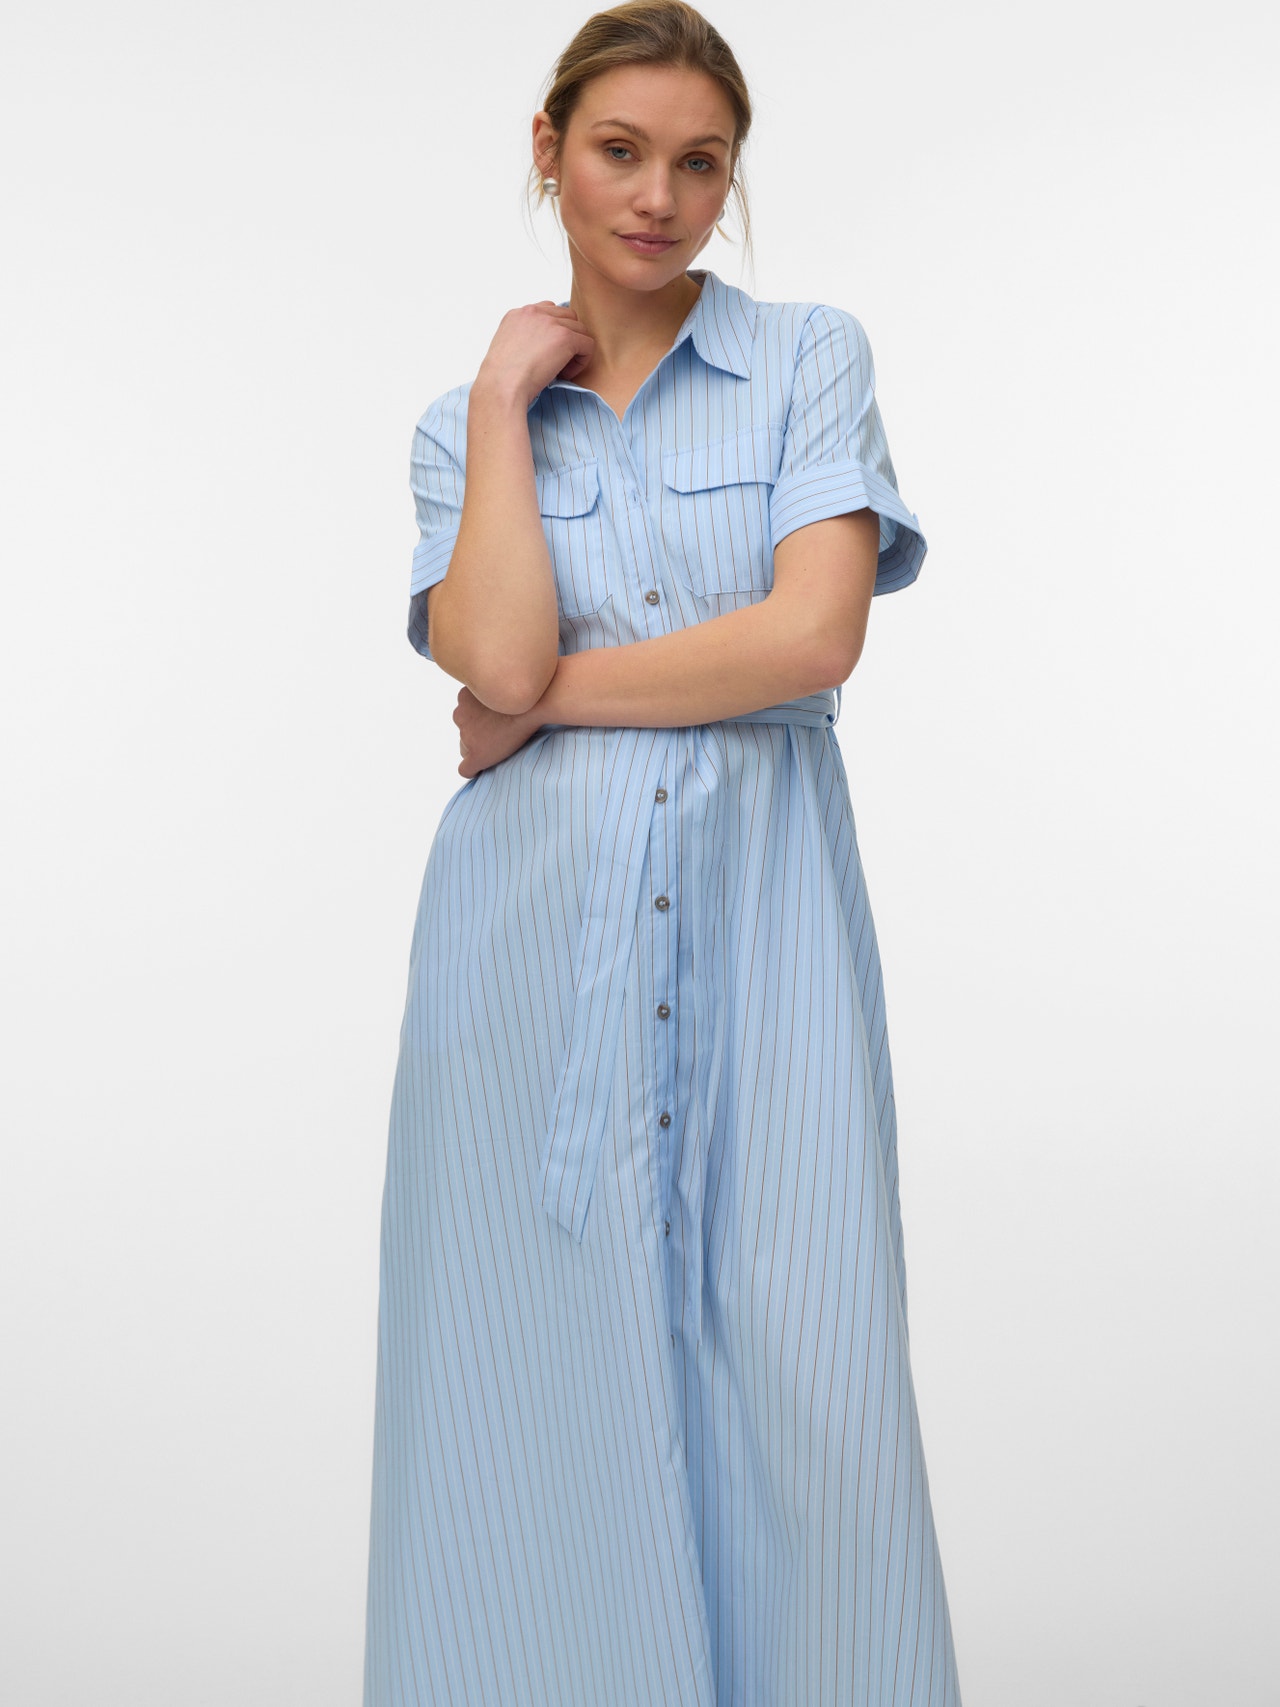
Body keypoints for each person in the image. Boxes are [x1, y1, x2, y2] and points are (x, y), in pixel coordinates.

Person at [363, 4, 964, 1703]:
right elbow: (492, 655)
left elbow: (812, 638)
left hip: (770, 925)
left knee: (804, 1361)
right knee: (524, 1367)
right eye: (621, 152)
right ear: (548, 152)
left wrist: (546, 702)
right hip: (527, 952)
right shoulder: (461, 427)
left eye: (701, 163)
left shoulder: (807, 360)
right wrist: (505, 398)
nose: (660, 196)